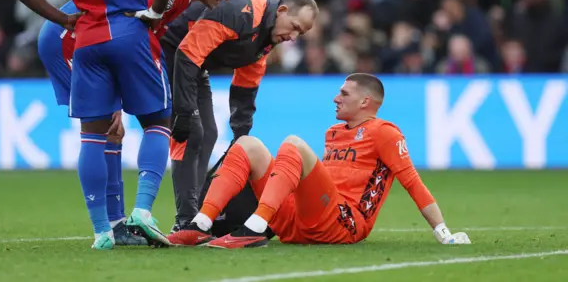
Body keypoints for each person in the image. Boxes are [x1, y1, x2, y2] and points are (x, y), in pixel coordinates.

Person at [7, 0, 181, 250]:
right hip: (129, 30)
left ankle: (102, 230)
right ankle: (143, 212)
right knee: (157, 120)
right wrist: (156, 11)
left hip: (86, 37)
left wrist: (62, 18)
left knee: (92, 134)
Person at [37, 0, 246, 245]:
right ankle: (115, 223)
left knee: (111, 130)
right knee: (114, 126)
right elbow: (121, 26)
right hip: (66, 39)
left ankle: (114, 226)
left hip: (82, 40)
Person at [167, 73, 472, 248]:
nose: (335, 98)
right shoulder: (334, 132)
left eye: (344, 93)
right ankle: (201, 223)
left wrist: (443, 233)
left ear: (365, 101)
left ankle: (254, 229)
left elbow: (413, 183)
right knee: (247, 144)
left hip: (345, 224)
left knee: (294, 144)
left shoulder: (385, 133)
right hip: (302, 224)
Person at [158, 0, 318, 232]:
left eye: (300, 34)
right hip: (165, 50)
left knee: (209, 133)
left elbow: (246, 85)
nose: (293, 37)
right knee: (191, 133)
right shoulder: (239, 11)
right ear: (282, 11)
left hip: (192, 62)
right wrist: (184, 110)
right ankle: (185, 220)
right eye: (294, 27)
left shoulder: (267, 36)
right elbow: (186, 54)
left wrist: (240, 137)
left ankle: (196, 217)